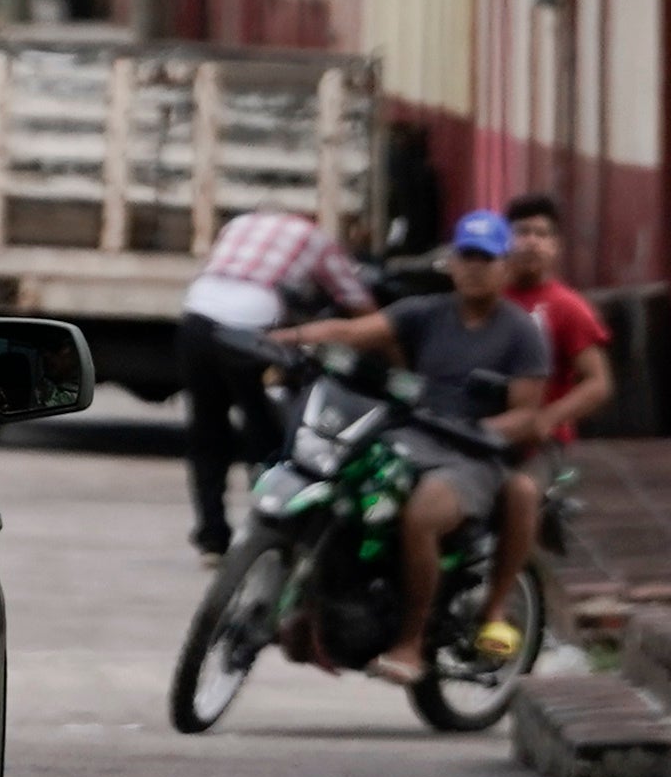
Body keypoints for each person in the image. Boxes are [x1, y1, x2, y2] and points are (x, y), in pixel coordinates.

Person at [279, 211, 550, 686]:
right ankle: (313, 610)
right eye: (467, 256)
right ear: (452, 261)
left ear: (505, 267)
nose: (475, 267)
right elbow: (352, 333)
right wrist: (288, 340)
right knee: (339, 489)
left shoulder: (521, 333)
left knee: (423, 516)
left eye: (487, 259)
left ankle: (411, 642)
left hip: (472, 456)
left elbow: (527, 414)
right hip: (408, 436)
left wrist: (486, 429)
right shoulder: (425, 311)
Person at [176, 206, 380, 560]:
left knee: (207, 430)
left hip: (196, 314)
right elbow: (356, 301)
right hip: (249, 326)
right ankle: (270, 526)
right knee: (264, 428)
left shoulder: (240, 223)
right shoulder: (316, 240)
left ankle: (211, 534)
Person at [498, 193, 621, 447]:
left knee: (520, 488)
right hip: (486, 429)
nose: (532, 242)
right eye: (522, 232)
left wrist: (548, 419)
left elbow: (598, 383)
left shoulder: (569, 307)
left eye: (542, 235)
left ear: (556, 246)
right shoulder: (489, 298)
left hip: (543, 442)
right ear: (504, 241)